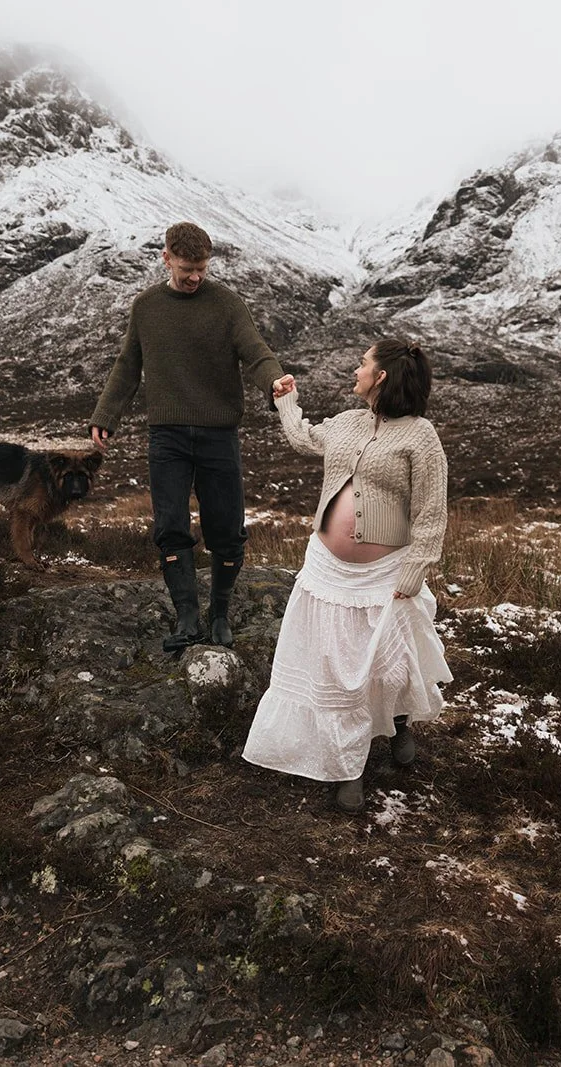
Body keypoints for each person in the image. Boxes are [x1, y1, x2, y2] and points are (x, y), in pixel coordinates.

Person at [243, 339, 452, 813]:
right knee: (336, 671)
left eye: (363, 363)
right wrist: (287, 401)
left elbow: (431, 511)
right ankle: (348, 768)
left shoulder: (421, 436)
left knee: (385, 663)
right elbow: (304, 438)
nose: (355, 369)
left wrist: (417, 567)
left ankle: (400, 723)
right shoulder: (347, 422)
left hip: (384, 573)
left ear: (381, 377)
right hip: (325, 568)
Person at [89, 222, 294, 651]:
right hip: (167, 436)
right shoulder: (146, 307)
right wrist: (106, 414)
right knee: (170, 527)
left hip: (219, 435)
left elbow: (256, 353)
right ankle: (187, 618)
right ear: (167, 258)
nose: (195, 277)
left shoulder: (227, 304)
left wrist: (274, 382)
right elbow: (129, 364)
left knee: (227, 530)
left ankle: (220, 615)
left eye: (201, 268)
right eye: (186, 269)